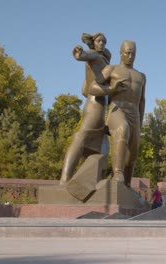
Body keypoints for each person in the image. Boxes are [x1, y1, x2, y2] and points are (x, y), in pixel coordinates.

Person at [89, 40, 146, 187]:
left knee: (133, 152)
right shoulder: (111, 69)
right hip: (117, 109)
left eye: (133, 53)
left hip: (134, 113)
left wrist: (140, 123)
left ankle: (126, 185)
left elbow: (142, 101)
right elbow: (93, 87)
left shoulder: (141, 76)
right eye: (127, 52)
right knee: (122, 129)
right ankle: (118, 173)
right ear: (121, 52)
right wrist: (111, 90)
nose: (130, 56)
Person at [60, 33, 111, 185]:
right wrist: (79, 53)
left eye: (104, 41)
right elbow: (83, 55)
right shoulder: (94, 55)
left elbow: (83, 89)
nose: (102, 43)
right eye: (99, 41)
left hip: (101, 109)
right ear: (94, 43)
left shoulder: (103, 61)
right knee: (81, 137)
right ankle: (65, 179)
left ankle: (94, 183)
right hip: (94, 106)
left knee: (104, 148)